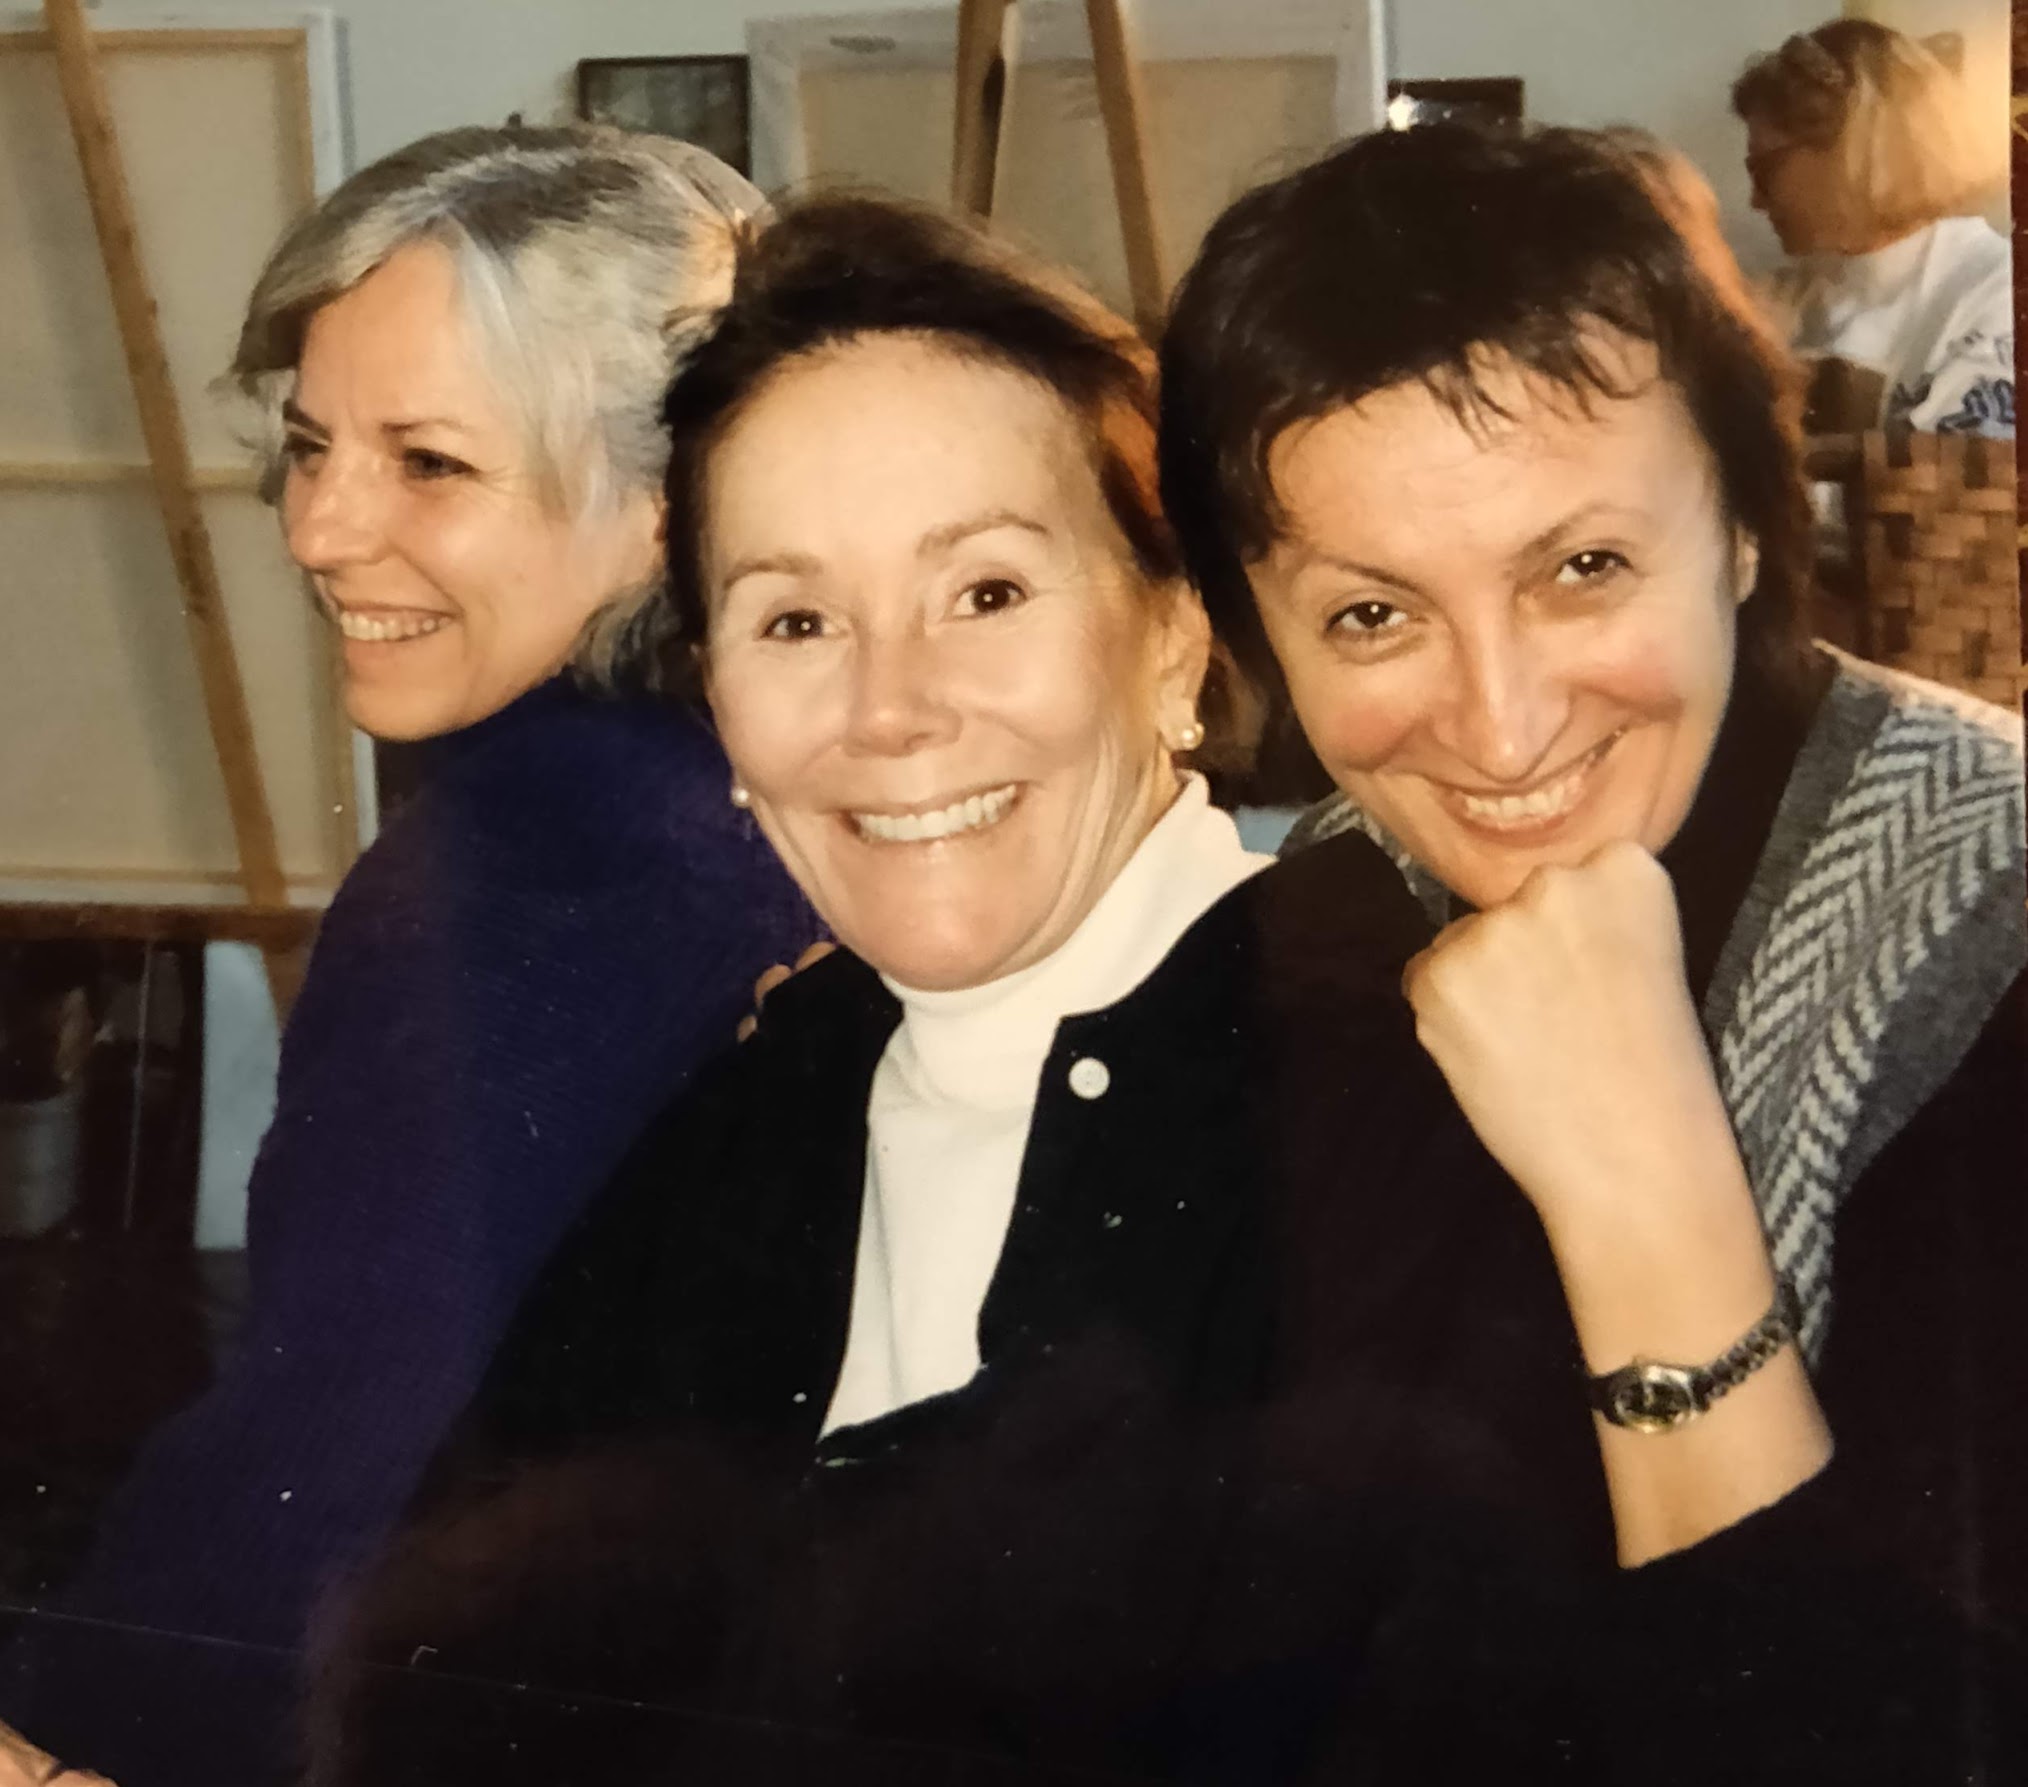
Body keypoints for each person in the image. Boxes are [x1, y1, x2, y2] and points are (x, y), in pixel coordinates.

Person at [299, 192, 1967, 1787]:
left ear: (1172, 638)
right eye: (794, 620)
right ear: (717, 701)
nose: (890, 708)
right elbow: (443, 1684)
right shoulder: (772, 1086)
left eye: (986, 592)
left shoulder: (1391, 1093)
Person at [1162, 119, 2026, 1781]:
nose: (1499, 728)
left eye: (1581, 567)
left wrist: (1645, 1185)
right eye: (1370, 613)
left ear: (1747, 528)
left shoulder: (1989, 927)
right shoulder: (1308, 924)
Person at [0, 125, 819, 1787]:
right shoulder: (720, 794)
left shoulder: (549, 861)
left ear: (672, 500)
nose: (317, 526)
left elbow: (339, 1460)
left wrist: (57, 1741)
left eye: (429, 463)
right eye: (311, 447)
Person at [1733, 19, 2012, 433]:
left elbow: (1946, 470)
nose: (1755, 201)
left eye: (1763, 170)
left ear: (1849, 149)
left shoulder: (1997, 292)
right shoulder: (1778, 297)